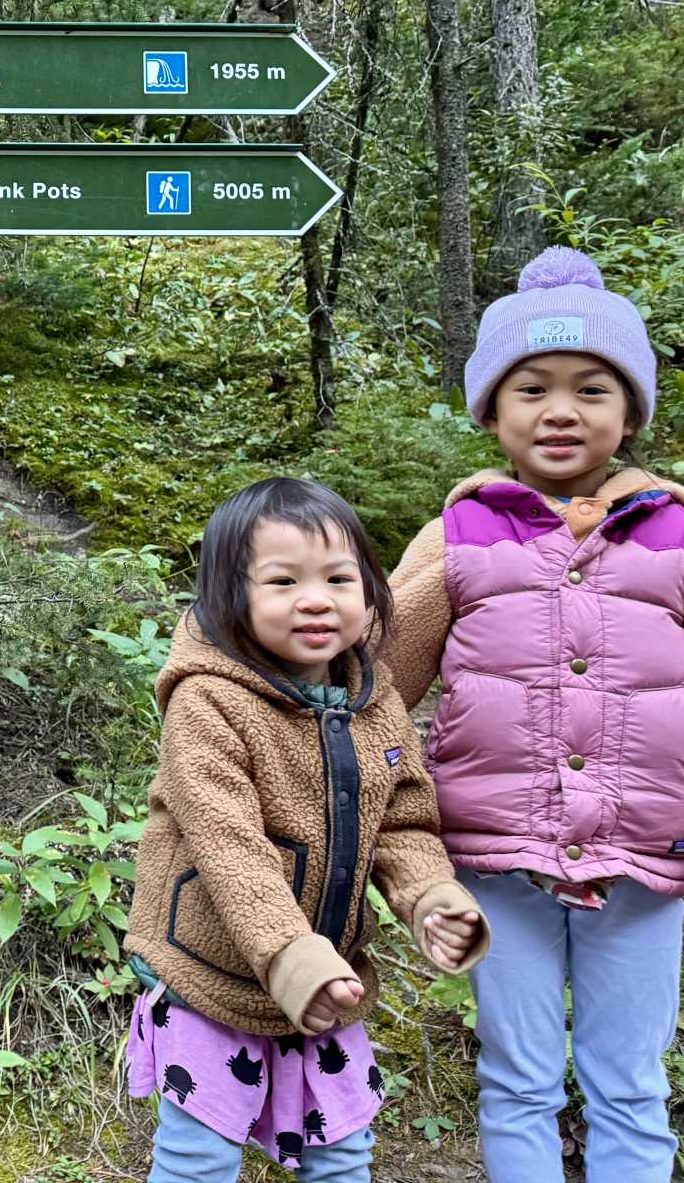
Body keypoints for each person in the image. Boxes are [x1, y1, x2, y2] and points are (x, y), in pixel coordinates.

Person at [387, 246, 684, 1182]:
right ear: (491, 410)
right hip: (496, 868)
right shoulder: (455, 538)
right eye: (531, 387)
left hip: (642, 871)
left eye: (592, 389)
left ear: (632, 411)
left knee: (630, 1084)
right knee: (518, 1081)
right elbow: (370, 687)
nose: (562, 410)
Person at [123, 477, 489, 1182]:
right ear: (231, 598)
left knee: (342, 1154)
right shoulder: (208, 702)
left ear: (372, 591)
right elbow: (229, 846)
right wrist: (290, 954)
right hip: (213, 975)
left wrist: (431, 900)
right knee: (198, 1158)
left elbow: (405, 819)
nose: (316, 599)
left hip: (329, 987)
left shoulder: (371, 701)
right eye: (283, 580)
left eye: (339, 578)